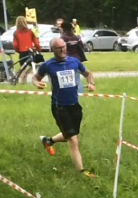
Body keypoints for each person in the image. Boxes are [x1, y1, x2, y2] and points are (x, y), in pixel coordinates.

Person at [33, 37, 96, 177]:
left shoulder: (74, 62)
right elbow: (35, 77)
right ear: (52, 50)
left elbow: (88, 73)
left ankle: (48, 141)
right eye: (58, 48)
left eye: (64, 47)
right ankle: (82, 171)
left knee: (71, 134)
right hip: (60, 107)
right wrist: (37, 83)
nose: (62, 50)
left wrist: (92, 83)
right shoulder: (48, 65)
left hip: (75, 105)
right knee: (73, 140)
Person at [12, 15, 42, 84]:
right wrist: (38, 49)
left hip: (22, 53)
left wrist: (18, 50)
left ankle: (23, 83)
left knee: (23, 70)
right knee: (34, 67)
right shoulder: (30, 31)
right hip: (30, 52)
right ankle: (37, 81)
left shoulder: (16, 33)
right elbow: (36, 43)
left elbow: (15, 45)